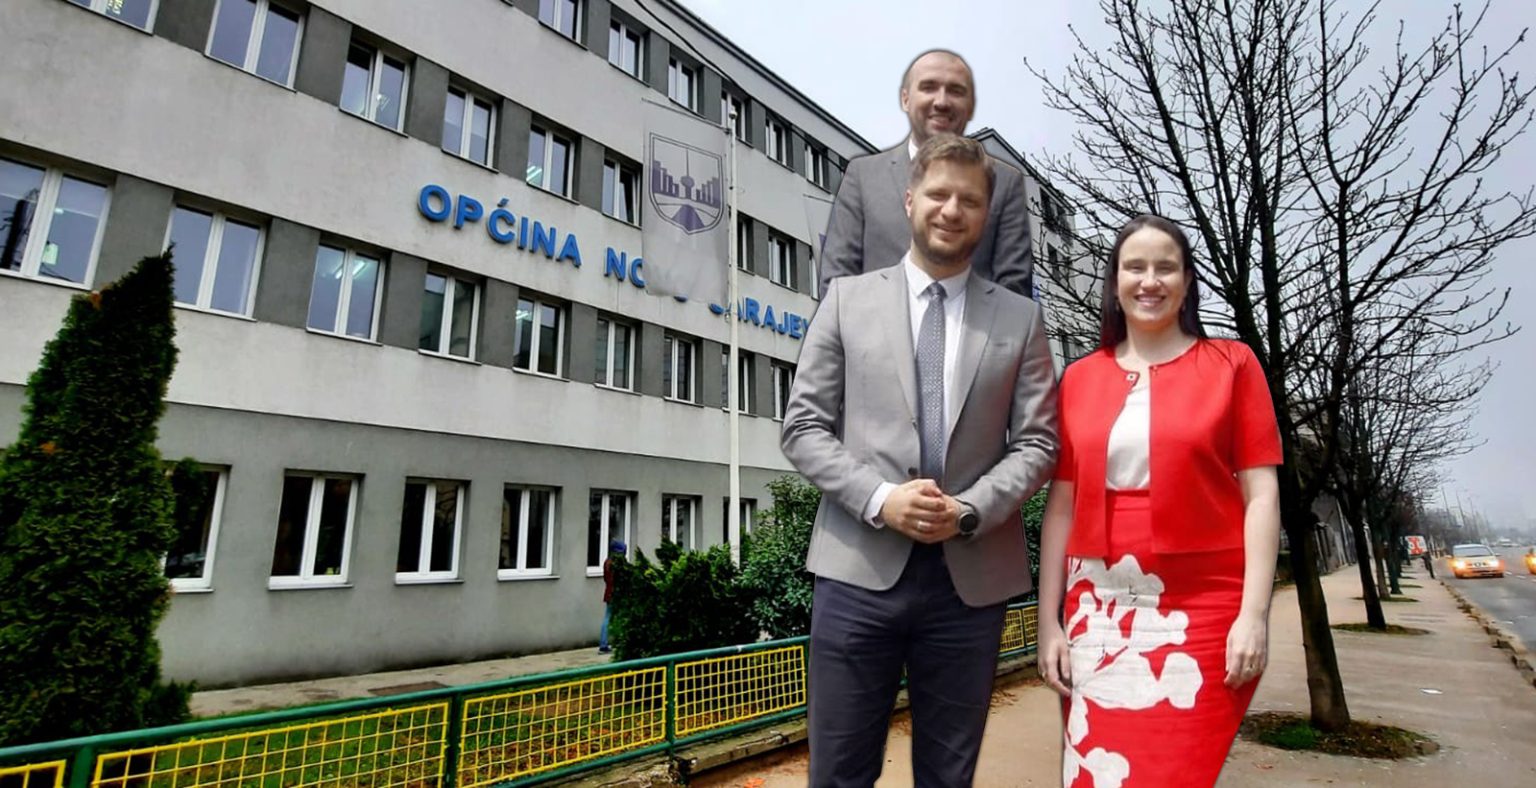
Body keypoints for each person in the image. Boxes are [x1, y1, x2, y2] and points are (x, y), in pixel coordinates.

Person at [782, 135, 1058, 787]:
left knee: (948, 778)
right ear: (910, 201)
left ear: (986, 214)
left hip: (970, 582)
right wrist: (882, 499)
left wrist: (970, 510)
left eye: (969, 199)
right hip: (857, 570)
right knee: (838, 775)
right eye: (938, 194)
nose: (951, 210)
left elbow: (1039, 442)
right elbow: (803, 427)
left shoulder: (1021, 320)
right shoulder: (847, 300)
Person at [1035, 215, 1282, 787]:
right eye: (1135, 267)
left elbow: (1262, 495)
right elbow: (1061, 507)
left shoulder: (1232, 364)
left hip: (1205, 604)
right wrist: (1049, 622)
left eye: (1165, 267)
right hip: (1099, 607)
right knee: (1098, 770)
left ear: (1187, 280)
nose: (1150, 281)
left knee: (1181, 771)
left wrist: (1254, 614)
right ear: (1115, 282)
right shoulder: (1079, 378)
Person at [818, 49, 1033, 299]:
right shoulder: (863, 176)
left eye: (955, 91)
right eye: (929, 87)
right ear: (905, 99)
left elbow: (1014, 292)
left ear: (971, 105)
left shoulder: (1005, 182)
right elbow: (837, 285)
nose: (941, 102)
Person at [598, 539, 625, 654]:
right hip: (616, 594)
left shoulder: (607, 562)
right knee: (615, 618)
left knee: (608, 618)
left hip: (609, 593)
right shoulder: (616, 564)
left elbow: (606, 579)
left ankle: (604, 644)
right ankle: (610, 644)